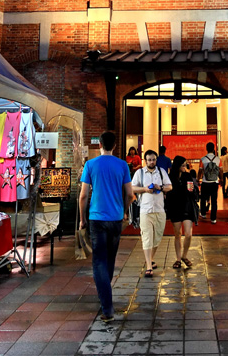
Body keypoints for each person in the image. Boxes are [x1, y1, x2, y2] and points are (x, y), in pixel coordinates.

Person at [79, 131, 134, 322]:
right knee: (110, 258)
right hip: (116, 218)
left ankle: (107, 306)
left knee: (99, 261)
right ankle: (105, 294)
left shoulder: (90, 164)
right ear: (115, 146)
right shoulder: (122, 165)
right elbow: (130, 194)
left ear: (99, 144)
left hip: (97, 219)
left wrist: (82, 219)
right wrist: (124, 211)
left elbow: (83, 196)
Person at [132, 149, 172, 277]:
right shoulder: (140, 173)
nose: (151, 162)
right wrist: (144, 189)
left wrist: (159, 187)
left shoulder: (161, 172)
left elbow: (169, 186)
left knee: (158, 236)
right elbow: (132, 187)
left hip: (159, 209)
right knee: (147, 236)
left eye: (153, 159)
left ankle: (150, 258)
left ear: (156, 160)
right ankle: (149, 266)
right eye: (149, 160)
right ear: (145, 161)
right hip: (145, 210)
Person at [166, 155, 199, 269]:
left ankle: (185, 255)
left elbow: (192, 190)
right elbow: (168, 193)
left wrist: (192, 190)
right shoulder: (170, 177)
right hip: (175, 207)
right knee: (177, 234)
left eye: (185, 165)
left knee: (188, 234)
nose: (185, 167)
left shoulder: (187, 175)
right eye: (183, 165)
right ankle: (178, 259)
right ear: (177, 165)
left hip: (187, 206)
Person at [199, 142, 221, 224]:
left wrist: (198, 179)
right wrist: (221, 179)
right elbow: (221, 171)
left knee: (203, 198)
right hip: (214, 182)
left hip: (205, 182)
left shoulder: (203, 159)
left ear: (206, 148)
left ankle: (203, 213)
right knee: (214, 200)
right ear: (214, 148)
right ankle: (213, 219)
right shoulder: (218, 159)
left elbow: (200, 170)